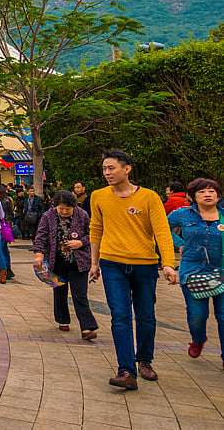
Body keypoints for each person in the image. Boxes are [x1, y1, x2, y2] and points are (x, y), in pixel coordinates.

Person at [89, 149, 177, 391]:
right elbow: (96, 229)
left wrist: (168, 263)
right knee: (120, 316)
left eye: (111, 168)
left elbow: (162, 231)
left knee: (146, 316)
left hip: (144, 265)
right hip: (111, 263)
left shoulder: (149, 197)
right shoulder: (98, 196)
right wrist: (94, 263)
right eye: (104, 169)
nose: (107, 173)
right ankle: (126, 370)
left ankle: (144, 360)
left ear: (127, 169)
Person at [167, 178, 223, 366]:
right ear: (192, 197)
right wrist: (179, 243)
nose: (207, 195)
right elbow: (162, 228)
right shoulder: (183, 214)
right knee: (197, 315)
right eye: (202, 192)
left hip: (221, 271)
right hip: (192, 272)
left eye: (211, 191)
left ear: (218, 195)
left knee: (223, 316)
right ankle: (198, 339)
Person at [33, 191, 98, 340]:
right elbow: (41, 236)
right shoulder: (48, 216)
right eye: (61, 208)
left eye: (67, 209)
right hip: (57, 261)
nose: (64, 212)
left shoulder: (82, 215)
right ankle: (62, 319)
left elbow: (93, 234)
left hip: (79, 262)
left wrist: (81, 242)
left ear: (74, 207)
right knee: (59, 291)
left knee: (80, 294)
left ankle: (87, 327)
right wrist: (39, 255)